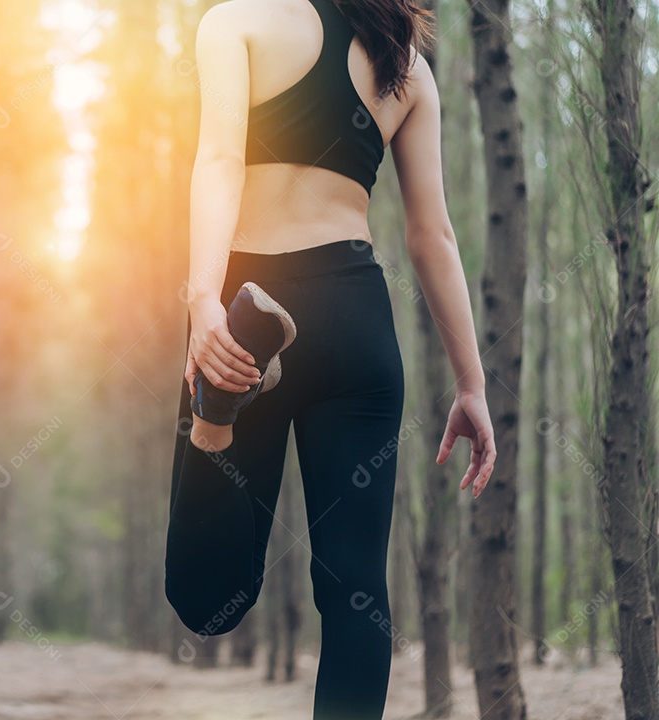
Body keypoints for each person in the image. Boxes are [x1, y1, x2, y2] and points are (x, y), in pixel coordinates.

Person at [164, 0, 497, 717]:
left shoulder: (236, 23)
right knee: (356, 596)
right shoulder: (403, 60)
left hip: (250, 312)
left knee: (208, 602)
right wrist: (471, 384)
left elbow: (220, 158)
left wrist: (203, 304)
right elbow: (431, 234)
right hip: (357, 322)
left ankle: (214, 420)